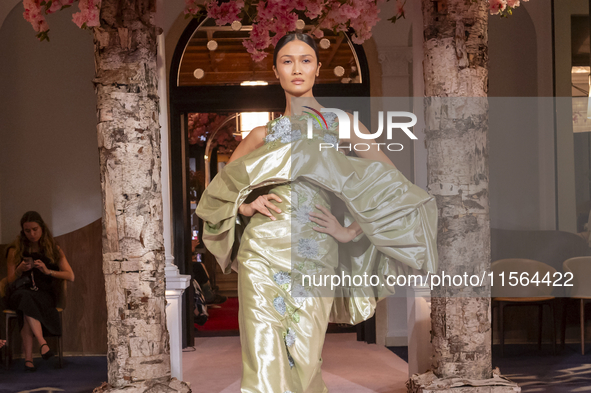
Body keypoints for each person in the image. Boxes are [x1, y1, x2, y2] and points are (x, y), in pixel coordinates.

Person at [196, 33, 438, 393]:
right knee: (261, 356)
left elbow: (396, 189)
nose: (297, 68)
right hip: (261, 251)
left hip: (316, 253)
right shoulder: (262, 135)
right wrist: (247, 205)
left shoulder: (342, 126)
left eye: (305, 60)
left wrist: (349, 231)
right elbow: (220, 193)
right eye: (287, 61)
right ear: (275, 71)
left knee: (306, 356)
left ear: (318, 69)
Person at [5, 211, 75, 371]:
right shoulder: (15, 250)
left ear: (42, 228)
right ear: (22, 231)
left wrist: (47, 271)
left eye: (35, 229)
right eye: (27, 230)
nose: (32, 234)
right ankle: (42, 343)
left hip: (43, 294)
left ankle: (29, 360)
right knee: (24, 297)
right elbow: (9, 281)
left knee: (27, 306)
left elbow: (70, 276)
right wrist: (19, 270)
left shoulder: (53, 249)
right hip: (18, 292)